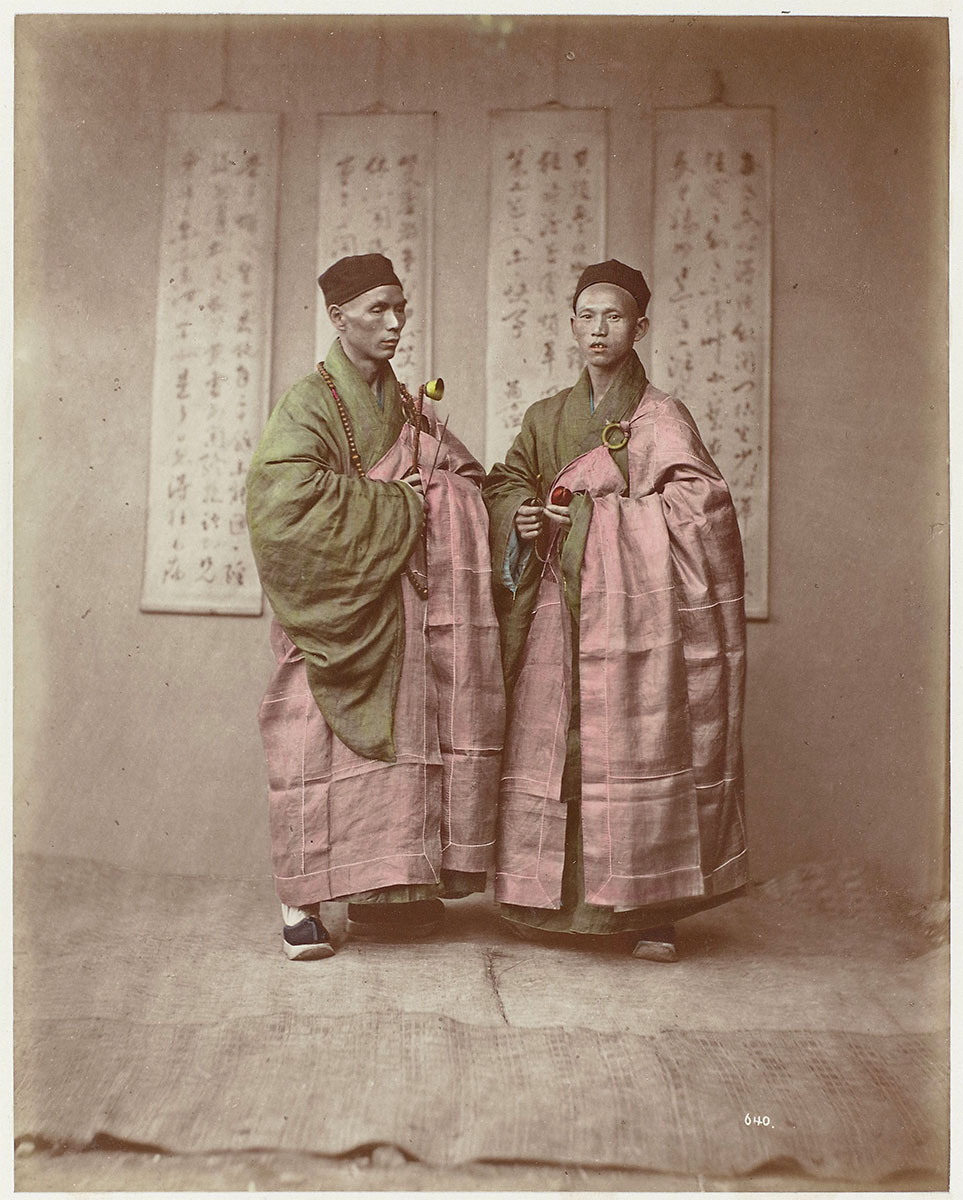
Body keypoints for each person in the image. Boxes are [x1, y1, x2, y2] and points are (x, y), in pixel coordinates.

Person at [483, 259, 747, 962]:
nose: (599, 329)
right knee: (552, 747)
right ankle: (543, 899)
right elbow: (506, 481)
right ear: (571, 326)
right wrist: (523, 519)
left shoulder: (659, 416)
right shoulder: (545, 417)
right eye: (587, 316)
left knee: (633, 747)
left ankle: (650, 906)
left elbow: (699, 508)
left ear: (639, 328)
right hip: (552, 609)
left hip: (631, 617)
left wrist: (596, 525)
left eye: (614, 316)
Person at [247, 253, 504, 960]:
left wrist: (446, 496)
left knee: (401, 756)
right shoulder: (308, 403)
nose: (393, 324)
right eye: (376, 311)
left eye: (400, 309)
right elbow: (282, 508)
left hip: (407, 612)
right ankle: (299, 900)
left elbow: (464, 480)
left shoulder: (411, 407)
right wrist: (398, 504)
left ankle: (386, 898)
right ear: (338, 318)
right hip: (337, 609)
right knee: (308, 740)